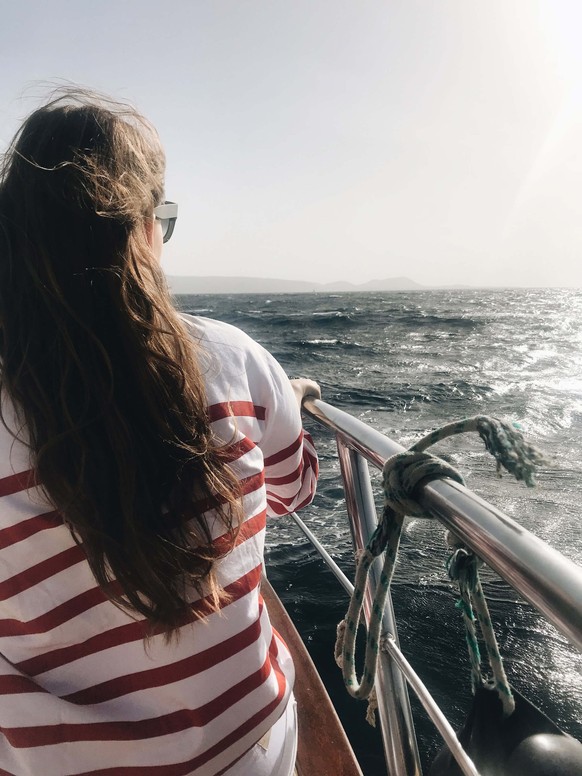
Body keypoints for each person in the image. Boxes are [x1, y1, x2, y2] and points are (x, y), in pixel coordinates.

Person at [0, 88, 320, 776]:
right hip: (251, 749)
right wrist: (279, 402)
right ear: (142, 231)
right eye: (160, 220)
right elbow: (295, 488)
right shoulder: (233, 358)